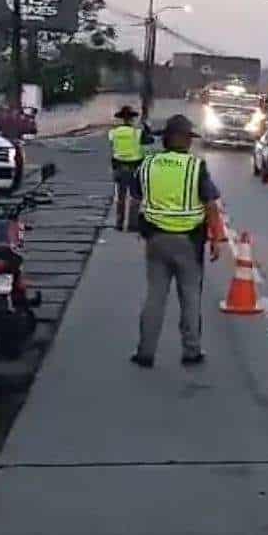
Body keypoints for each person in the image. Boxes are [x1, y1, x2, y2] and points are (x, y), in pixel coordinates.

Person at [129, 114, 225, 368]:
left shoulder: (148, 165)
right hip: (188, 243)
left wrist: (135, 226)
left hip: (156, 240)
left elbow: (135, 199)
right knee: (190, 297)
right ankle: (191, 351)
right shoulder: (196, 167)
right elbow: (210, 205)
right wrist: (217, 238)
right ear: (182, 140)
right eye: (189, 137)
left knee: (155, 297)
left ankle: (145, 353)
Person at [107, 105, 153, 231]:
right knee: (135, 197)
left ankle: (119, 223)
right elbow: (150, 140)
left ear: (121, 119)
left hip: (119, 168)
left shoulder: (113, 133)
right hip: (135, 168)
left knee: (120, 197)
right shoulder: (138, 133)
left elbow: (112, 144)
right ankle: (132, 225)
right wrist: (146, 127)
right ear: (132, 119)